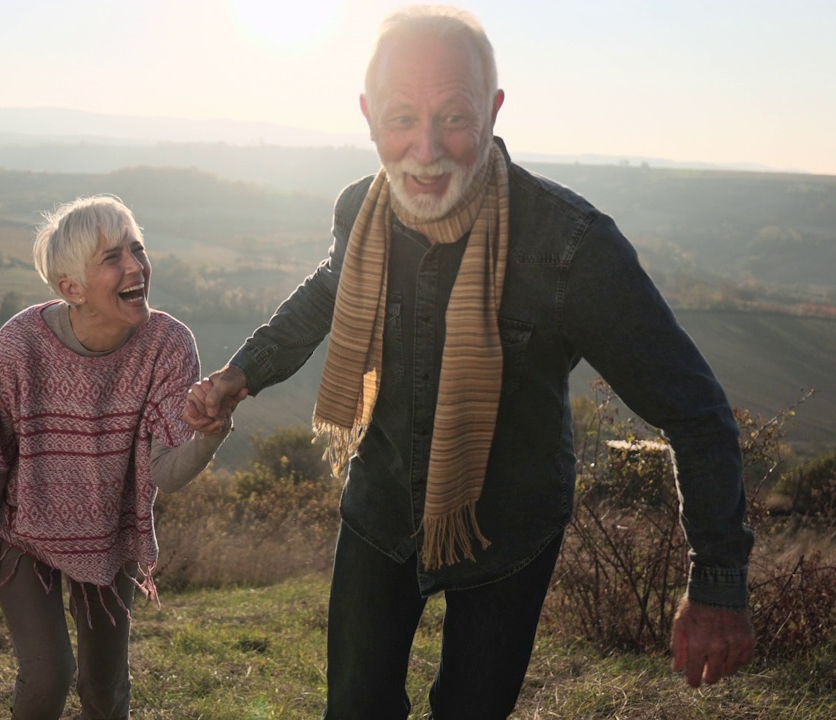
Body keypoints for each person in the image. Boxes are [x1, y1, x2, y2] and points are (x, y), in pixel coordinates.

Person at [184, 6, 754, 718]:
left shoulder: (571, 249)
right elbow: (328, 291)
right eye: (401, 120)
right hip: (382, 504)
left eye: (453, 117)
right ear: (367, 117)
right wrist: (244, 373)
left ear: (494, 109)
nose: (426, 151)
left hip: (508, 529)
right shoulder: (360, 209)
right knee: (355, 708)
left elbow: (695, 413)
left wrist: (718, 585)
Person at [0, 195, 230, 719]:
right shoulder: (18, 346)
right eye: (112, 258)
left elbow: (166, 473)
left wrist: (210, 433)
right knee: (48, 674)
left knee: (104, 689)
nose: (135, 267)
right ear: (70, 288)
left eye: (137, 248)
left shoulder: (168, 345)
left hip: (111, 536)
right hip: (23, 536)